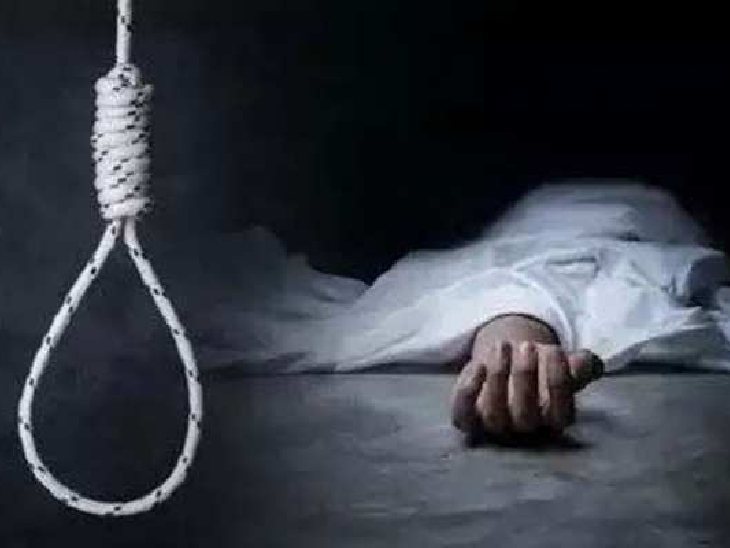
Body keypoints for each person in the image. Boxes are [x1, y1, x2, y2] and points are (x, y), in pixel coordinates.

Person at [174, 180, 730, 439]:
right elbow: (532, 268)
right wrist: (516, 335)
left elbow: (583, 269)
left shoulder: (656, 238)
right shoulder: (539, 226)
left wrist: (518, 337)